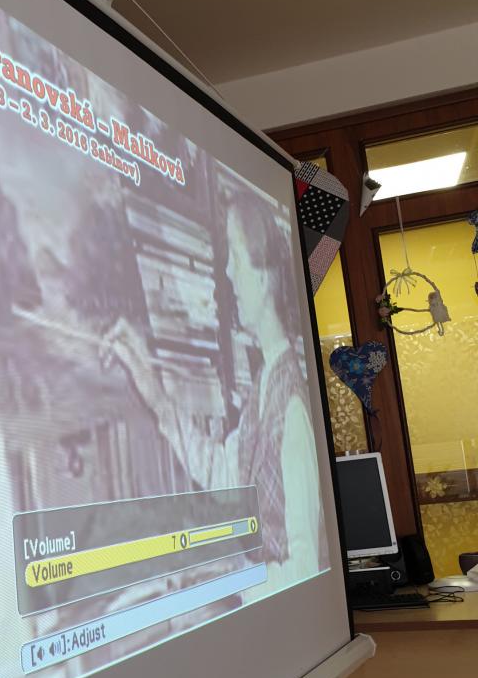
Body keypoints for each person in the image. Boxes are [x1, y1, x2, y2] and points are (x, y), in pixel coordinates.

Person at [102, 189, 325, 594]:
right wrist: (154, 392)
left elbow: (304, 567)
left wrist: (234, 581)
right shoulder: (265, 384)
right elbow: (224, 473)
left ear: (263, 276)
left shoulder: (291, 406)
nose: (227, 272)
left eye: (234, 257)